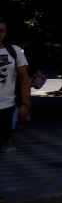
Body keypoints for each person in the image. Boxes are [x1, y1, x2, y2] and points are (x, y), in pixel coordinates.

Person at [1, 19, 32, 154]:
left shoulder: (14, 51)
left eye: (1, 30)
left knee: (3, 141)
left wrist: (25, 103)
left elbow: (24, 79)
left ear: (6, 32)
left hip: (7, 106)